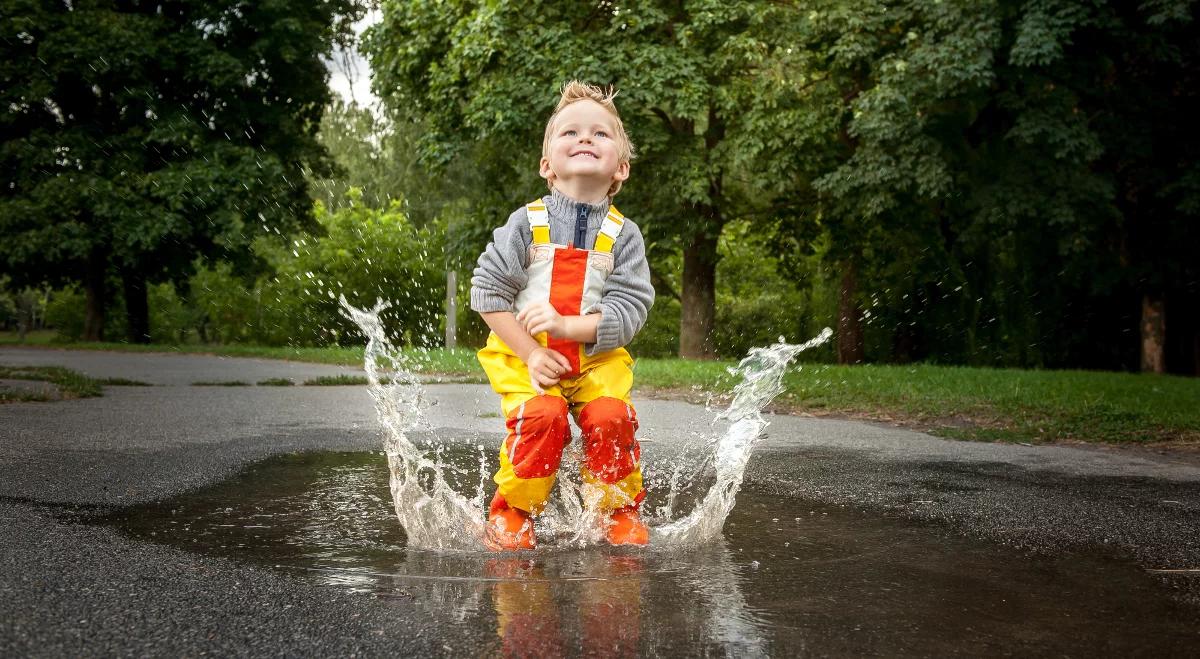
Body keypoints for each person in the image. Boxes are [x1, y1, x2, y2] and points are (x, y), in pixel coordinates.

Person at [470, 80, 655, 550]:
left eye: (601, 134)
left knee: (611, 417)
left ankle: (617, 508)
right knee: (543, 417)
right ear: (547, 165)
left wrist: (569, 327)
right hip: (526, 358)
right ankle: (513, 511)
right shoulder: (525, 224)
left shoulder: (624, 235)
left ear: (622, 168)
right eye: (570, 132)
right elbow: (487, 293)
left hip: (597, 358)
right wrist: (532, 352)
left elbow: (630, 310)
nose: (586, 139)